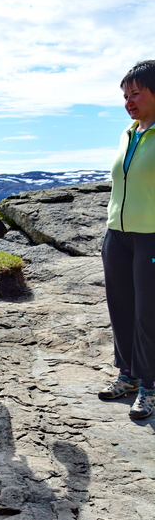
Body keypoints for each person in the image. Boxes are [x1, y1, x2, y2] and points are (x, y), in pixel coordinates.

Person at [99, 60, 155, 420]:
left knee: (148, 313)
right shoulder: (128, 133)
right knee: (120, 306)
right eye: (125, 95)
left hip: (151, 236)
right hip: (116, 234)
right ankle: (129, 375)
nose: (129, 101)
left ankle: (150, 386)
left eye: (136, 93)